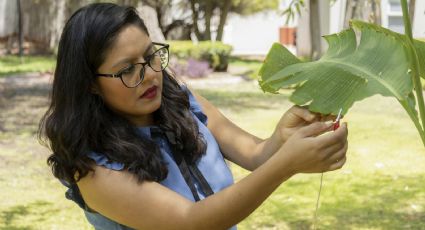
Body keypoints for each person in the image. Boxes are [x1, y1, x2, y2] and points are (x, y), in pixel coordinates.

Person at [38, 3, 348, 230]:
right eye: (127, 69)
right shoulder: (94, 169)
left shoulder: (182, 102)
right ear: (90, 83)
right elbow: (190, 222)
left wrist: (283, 138)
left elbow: (255, 154)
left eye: (150, 56)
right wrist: (287, 164)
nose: (149, 75)